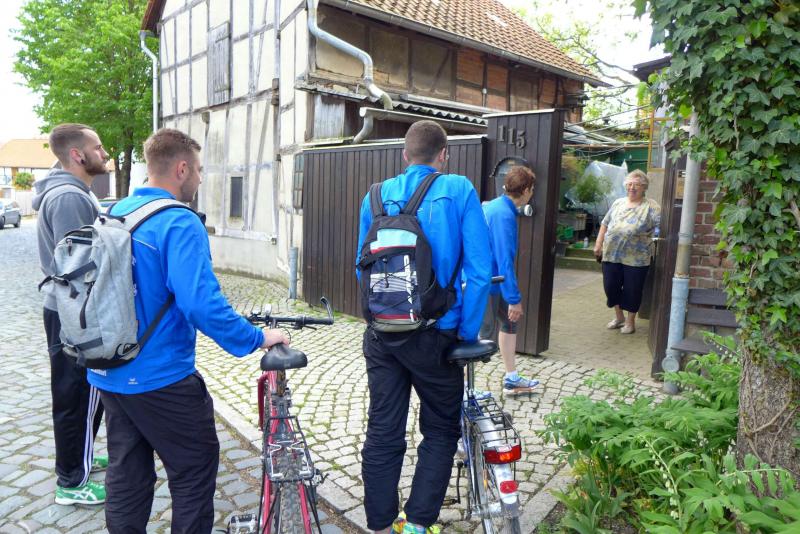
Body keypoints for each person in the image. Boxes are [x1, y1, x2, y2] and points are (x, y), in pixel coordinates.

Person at [87, 128, 288, 533]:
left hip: (108, 370)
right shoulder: (178, 221)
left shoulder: (115, 212)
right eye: (198, 170)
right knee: (193, 471)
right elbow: (200, 304)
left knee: (127, 474)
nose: (199, 178)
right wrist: (255, 338)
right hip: (161, 376)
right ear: (181, 169)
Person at [356, 120, 492, 534]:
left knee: (383, 429)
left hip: (383, 334)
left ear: (405, 155)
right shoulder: (459, 190)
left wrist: (381, 315)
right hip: (436, 335)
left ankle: (381, 525)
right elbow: (480, 272)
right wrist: (465, 334)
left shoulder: (374, 195)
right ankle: (416, 524)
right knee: (439, 430)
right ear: (443, 155)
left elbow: (361, 267)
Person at [32, 123, 110, 505]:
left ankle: (81, 457)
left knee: (83, 393)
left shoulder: (74, 192)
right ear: (78, 155)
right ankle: (71, 482)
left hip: (69, 311)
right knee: (75, 395)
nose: (106, 153)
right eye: (98, 147)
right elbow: (79, 267)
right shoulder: (69, 197)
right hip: (74, 314)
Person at [480, 166, 540, 393]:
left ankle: (511, 378)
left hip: (495, 281)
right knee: (480, 334)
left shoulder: (497, 206)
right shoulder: (503, 214)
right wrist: (514, 299)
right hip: (487, 283)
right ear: (525, 190)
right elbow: (504, 259)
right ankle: (464, 389)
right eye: (532, 189)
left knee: (509, 322)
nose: (532, 193)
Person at [593, 169, 661, 334]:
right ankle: (619, 317)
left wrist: (656, 238)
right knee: (611, 287)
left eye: (637, 184)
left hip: (637, 258)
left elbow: (662, 227)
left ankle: (630, 322)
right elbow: (605, 223)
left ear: (644, 187)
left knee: (632, 290)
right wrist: (598, 244)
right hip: (611, 254)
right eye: (629, 184)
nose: (632, 187)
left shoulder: (651, 206)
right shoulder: (618, 203)